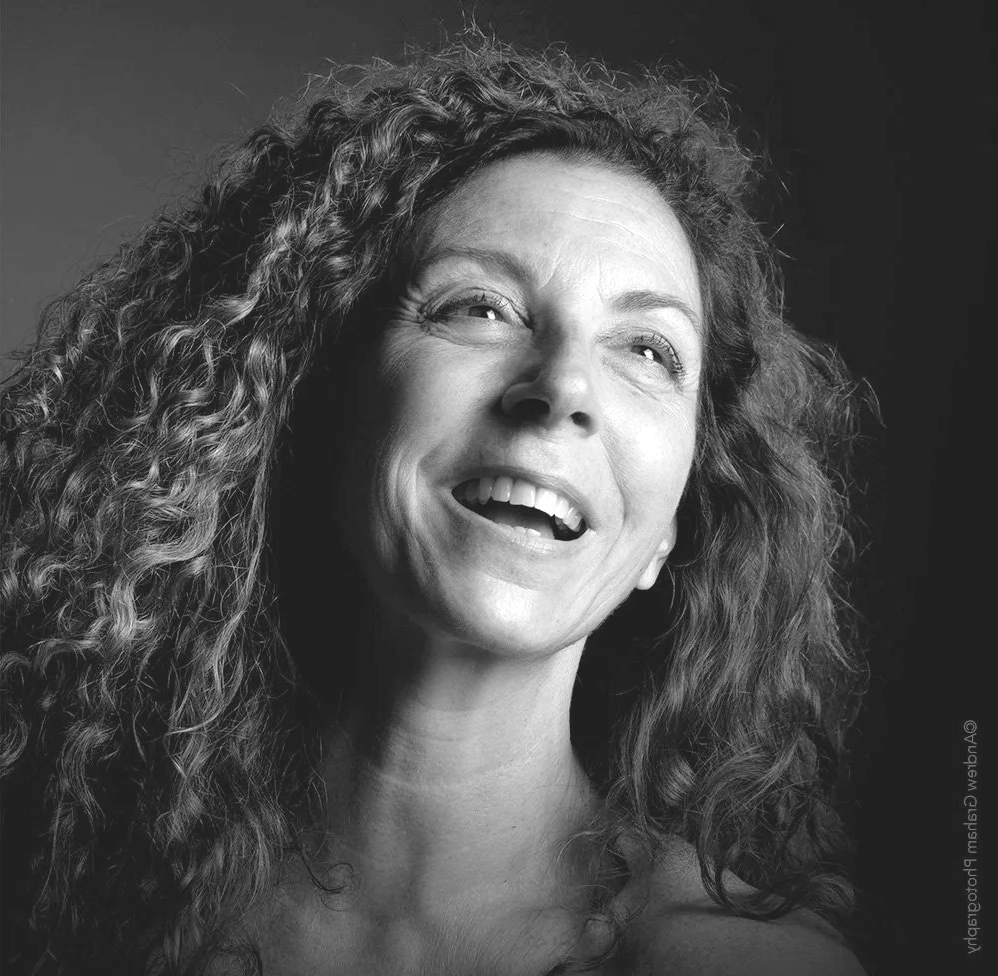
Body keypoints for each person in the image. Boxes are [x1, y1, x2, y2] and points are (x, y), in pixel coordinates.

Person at [0, 35, 870, 976]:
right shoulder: (62, 899)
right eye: (481, 307)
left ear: (673, 526)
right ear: (313, 404)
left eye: (649, 351)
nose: (565, 388)